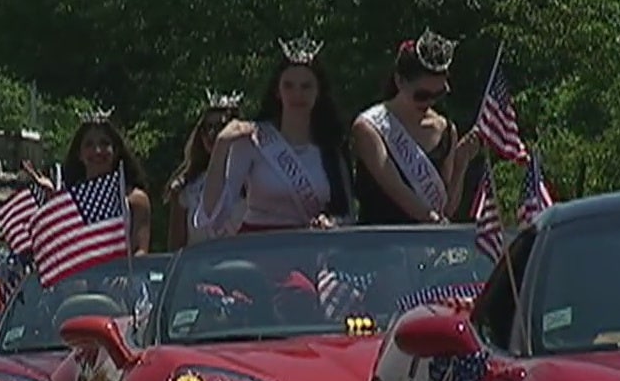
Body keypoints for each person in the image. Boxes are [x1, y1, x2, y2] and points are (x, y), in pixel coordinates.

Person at [197, 33, 355, 238]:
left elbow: (348, 215)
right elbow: (213, 214)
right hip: (258, 249)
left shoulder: (331, 147)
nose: (297, 95)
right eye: (288, 86)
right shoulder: (254, 140)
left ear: (319, 92)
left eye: (306, 86)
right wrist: (221, 145)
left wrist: (332, 223)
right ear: (277, 91)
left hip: (310, 249)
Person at [352, 29, 483, 224]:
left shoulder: (446, 130)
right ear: (399, 81)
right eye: (422, 95)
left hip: (425, 248)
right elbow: (395, 187)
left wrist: (460, 164)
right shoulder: (370, 127)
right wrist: (429, 218)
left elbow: (446, 209)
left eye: (438, 94)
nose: (429, 102)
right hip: (377, 246)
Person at [27, 108, 151, 254]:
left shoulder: (135, 200)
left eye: (104, 144)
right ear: (79, 154)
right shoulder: (69, 201)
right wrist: (51, 202)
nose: (97, 151)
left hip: (121, 275)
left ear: (116, 151)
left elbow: (141, 252)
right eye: (89, 145)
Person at [165, 91, 245, 249]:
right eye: (207, 128)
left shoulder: (254, 179)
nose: (212, 134)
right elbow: (176, 250)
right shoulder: (185, 188)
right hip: (201, 271)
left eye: (221, 126)